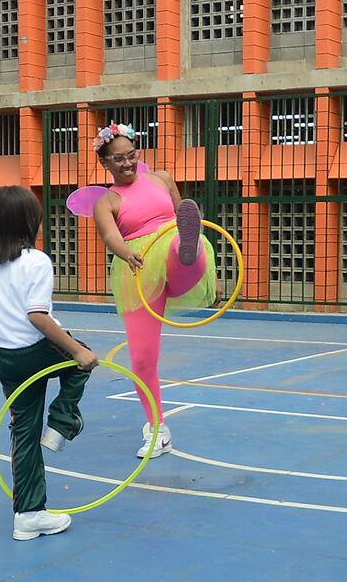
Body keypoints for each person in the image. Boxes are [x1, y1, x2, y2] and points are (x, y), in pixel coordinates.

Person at [0, 185, 99, 541]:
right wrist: (77, 351)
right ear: (30, 223)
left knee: (23, 436)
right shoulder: (37, 261)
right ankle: (62, 422)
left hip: (7, 359)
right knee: (80, 359)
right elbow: (38, 317)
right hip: (36, 349)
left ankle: (28, 515)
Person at [91, 123, 217, 457]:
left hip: (172, 250)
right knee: (143, 358)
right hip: (138, 271)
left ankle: (190, 252)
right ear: (104, 163)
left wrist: (187, 233)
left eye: (132, 155)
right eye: (118, 159)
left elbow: (182, 211)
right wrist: (125, 252)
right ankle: (158, 428)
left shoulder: (161, 178)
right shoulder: (106, 202)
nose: (128, 164)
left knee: (181, 240)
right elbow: (110, 237)